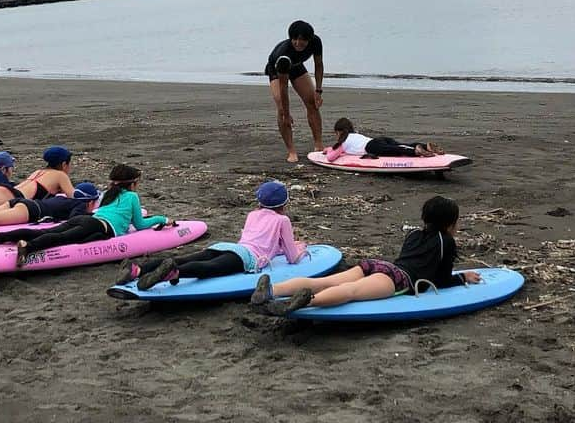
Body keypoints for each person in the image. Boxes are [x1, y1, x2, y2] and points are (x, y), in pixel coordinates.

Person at [251, 195, 481, 315]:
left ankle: (272, 290)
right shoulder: (446, 241)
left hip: (376, 265)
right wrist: (462, 278)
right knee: (351, 292)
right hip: (399, 279)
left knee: (324, 281)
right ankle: (302, 303)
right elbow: (439, 279)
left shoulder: (414, 234)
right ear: (450, 223)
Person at [117, 180, 306, 291]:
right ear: (284, 203)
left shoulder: (253, 214)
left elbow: (265, 241)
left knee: (185, 257)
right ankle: (174, 273)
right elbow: (292, 257)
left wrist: (279, 249)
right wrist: (300, 249)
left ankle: (138, 270)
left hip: (229, 247)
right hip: (249, 258)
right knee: (211, 268)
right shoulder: (283, 221)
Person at [0, 163, 173, 267]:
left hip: (88, 220)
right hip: (98, 226)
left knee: (54, 231)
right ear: (132, 183)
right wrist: (161, 219)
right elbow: (139, 225)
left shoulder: (109, 195)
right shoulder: (132, 196)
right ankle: (28, 247)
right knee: (61, 238)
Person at [266, 20, 324, 162]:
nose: (298, 43)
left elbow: (319, 65)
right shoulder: (283, 55)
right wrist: (286, 113)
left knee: (312, 102)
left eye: (302, 40)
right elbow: (284, 88)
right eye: (295, 39)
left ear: (309, 39)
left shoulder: (316, 42)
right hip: (278, 69)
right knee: (281, 108)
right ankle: (291, 151)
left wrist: (318, 90)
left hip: (296, 66)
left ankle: (318, 145)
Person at [325, 117, 445, 160]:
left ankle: (415, 151)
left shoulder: (342, 143)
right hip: (378, 140)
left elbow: (331, 158)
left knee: (397, 149)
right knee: (400, 145)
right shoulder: (355, 135)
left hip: (372, 146)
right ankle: (425, 146)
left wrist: (329, 150)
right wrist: (331, 148)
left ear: (339, 132)